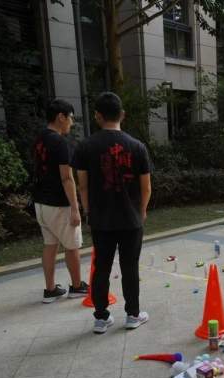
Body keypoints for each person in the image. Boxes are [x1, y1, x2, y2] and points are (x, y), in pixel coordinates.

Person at [73, 92, 152, 334]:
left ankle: (101, 318)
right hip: (131, 219)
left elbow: (82, 185)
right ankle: (132, 315)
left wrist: (89, 211)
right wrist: (141, 211)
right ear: (122, 115)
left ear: (97, 116)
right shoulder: (137, 147)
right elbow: (146, 187)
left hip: (101, 219)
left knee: (101, 267)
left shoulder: (85, 146)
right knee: (130, 267)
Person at [32, 99, 88, 303]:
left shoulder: (39, 139)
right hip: (58, 203)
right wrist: (75, 208)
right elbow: (66, 177)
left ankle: (50, 290)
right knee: (72, 246)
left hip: (41, 202)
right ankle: (77, 287)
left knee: (50, 245)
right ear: (60, 117)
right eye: (70, 117)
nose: (71, 122)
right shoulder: (60, 142)